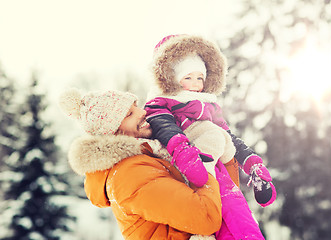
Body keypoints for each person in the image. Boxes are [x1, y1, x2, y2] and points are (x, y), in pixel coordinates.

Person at [145, 34, 274, 239]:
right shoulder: (160, 102)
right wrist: (186, 155)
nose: (195, 84)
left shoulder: (208, 105)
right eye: (188, 77)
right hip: (183, 164)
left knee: (236, 210)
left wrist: (252, 163)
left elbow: (227, 136)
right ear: (170, 77)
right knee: (211, 218)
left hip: (214, 166)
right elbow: (165, 128)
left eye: (200, 78)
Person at [58, 89, 224, 240]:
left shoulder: (144, 158)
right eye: (129, 114)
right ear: (113, 132)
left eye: (136, 106)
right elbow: (206, 217)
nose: (142, 112)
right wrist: (204, 163)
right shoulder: (130, 174)